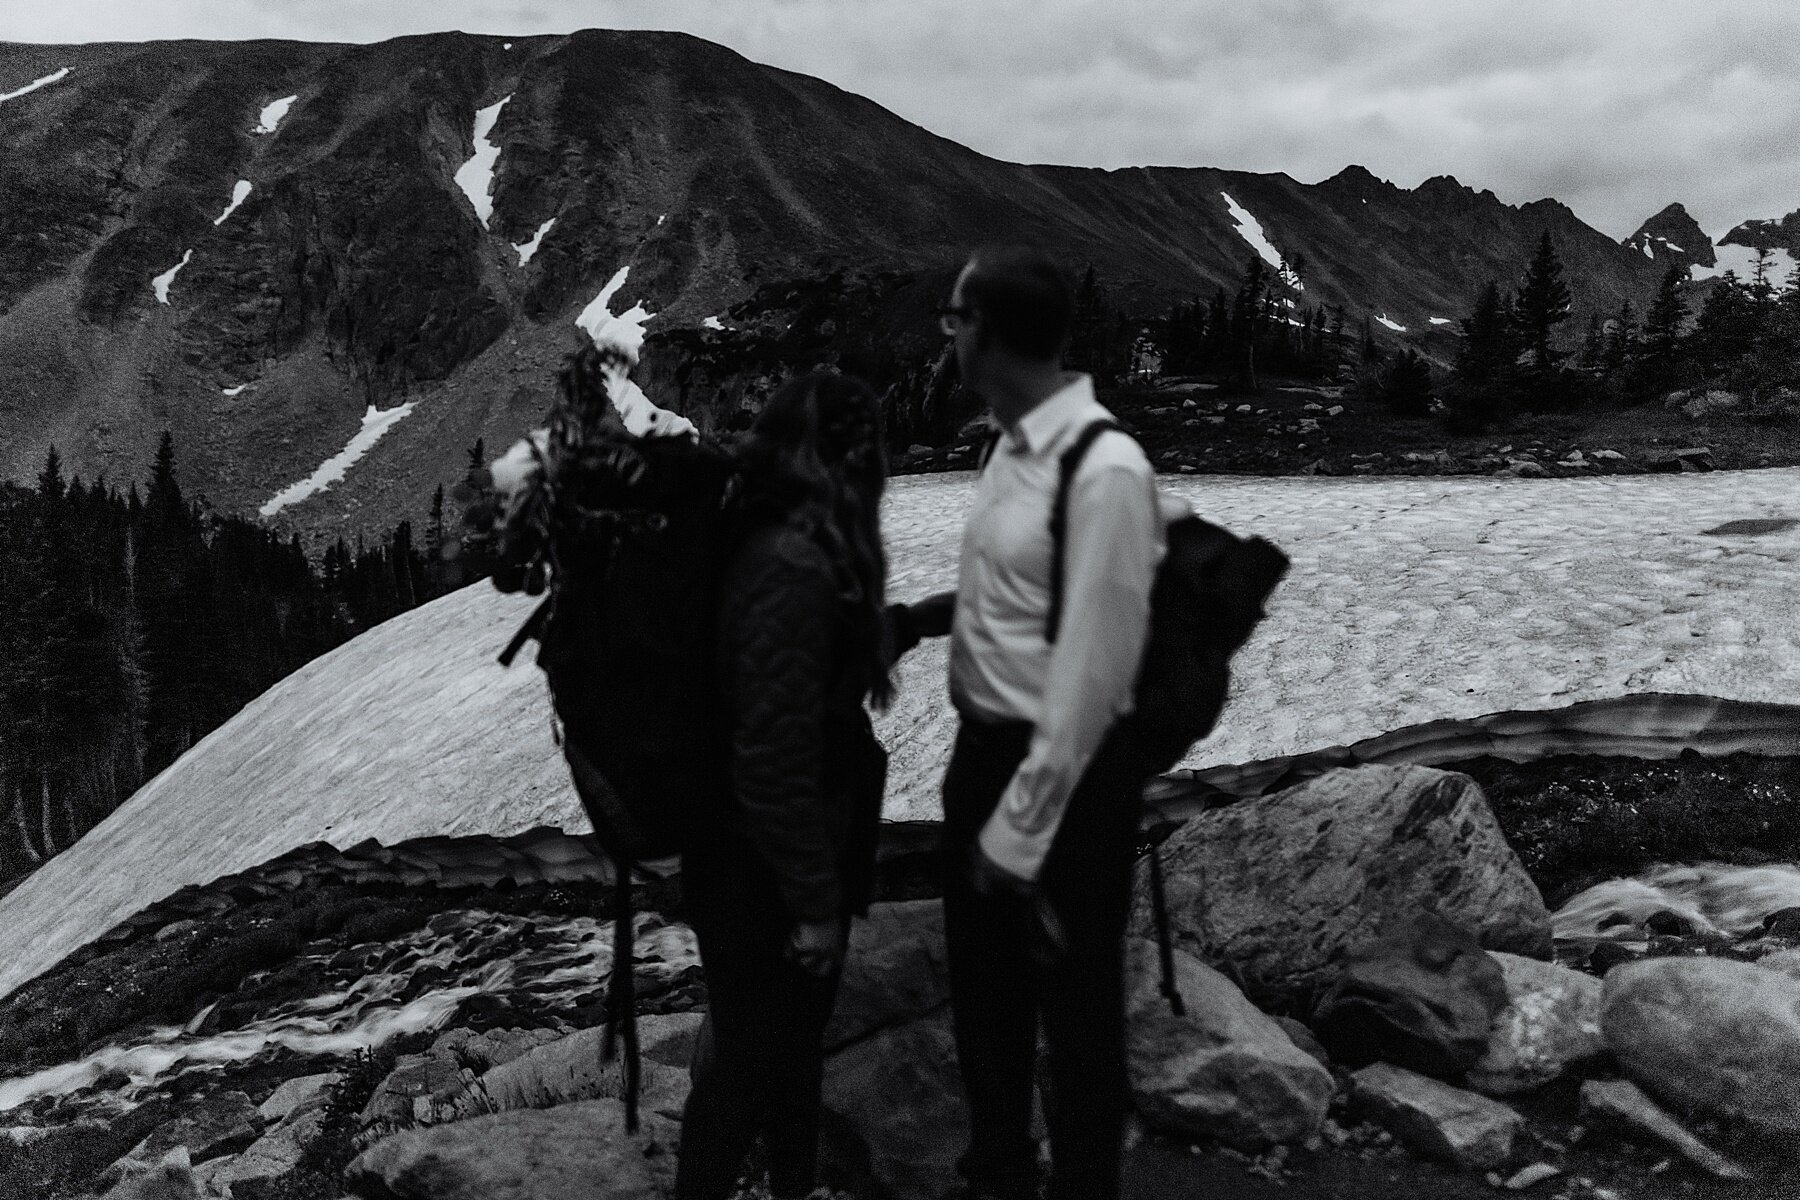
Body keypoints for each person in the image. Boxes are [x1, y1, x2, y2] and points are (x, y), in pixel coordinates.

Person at [936, 246, 1164, 1200]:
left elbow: (1093, 675)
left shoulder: (1105, 468)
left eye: (955, 317)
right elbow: (1020, 604)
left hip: (1061, 788)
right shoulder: (1009, 444)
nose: (945, 333)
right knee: (984, 1002)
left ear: (990, 334)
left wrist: (1019, 828)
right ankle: (996, 1174)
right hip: (982, 761)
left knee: (1077, 1019)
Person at [676, 371, 894, 1200]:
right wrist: (811, 905)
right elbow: (773, 761)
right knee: (749, 1068)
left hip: (738, 860)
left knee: (782, 1055)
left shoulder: (756, 536)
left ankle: (792, 1188)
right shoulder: (790, 562)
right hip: (763, 874)